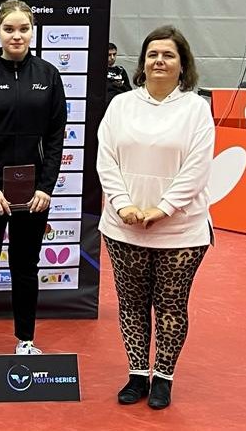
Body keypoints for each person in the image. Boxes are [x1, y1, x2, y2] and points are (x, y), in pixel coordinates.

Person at [97, 25, 213, 410]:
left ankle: (163, 378)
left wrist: (162, 209)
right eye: (152, 54)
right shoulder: (121, 105)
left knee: (170, 306)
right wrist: (123, 205)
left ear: (183, 64)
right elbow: (106, 159)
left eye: (168, 55)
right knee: (131, 305)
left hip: (181, 230)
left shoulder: (196, 109)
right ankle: (136, 374)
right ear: (142, 63)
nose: (159, 61)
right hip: (124, 226)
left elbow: (197, 168)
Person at [0, 0, 67, 357]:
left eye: (23, 29)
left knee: (25, 267)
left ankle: (26, 341)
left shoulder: (48, 75)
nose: (16, 35)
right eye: (9, 29)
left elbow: (55, 137)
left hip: (33, 194)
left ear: (33, 31)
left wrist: (46, 187)